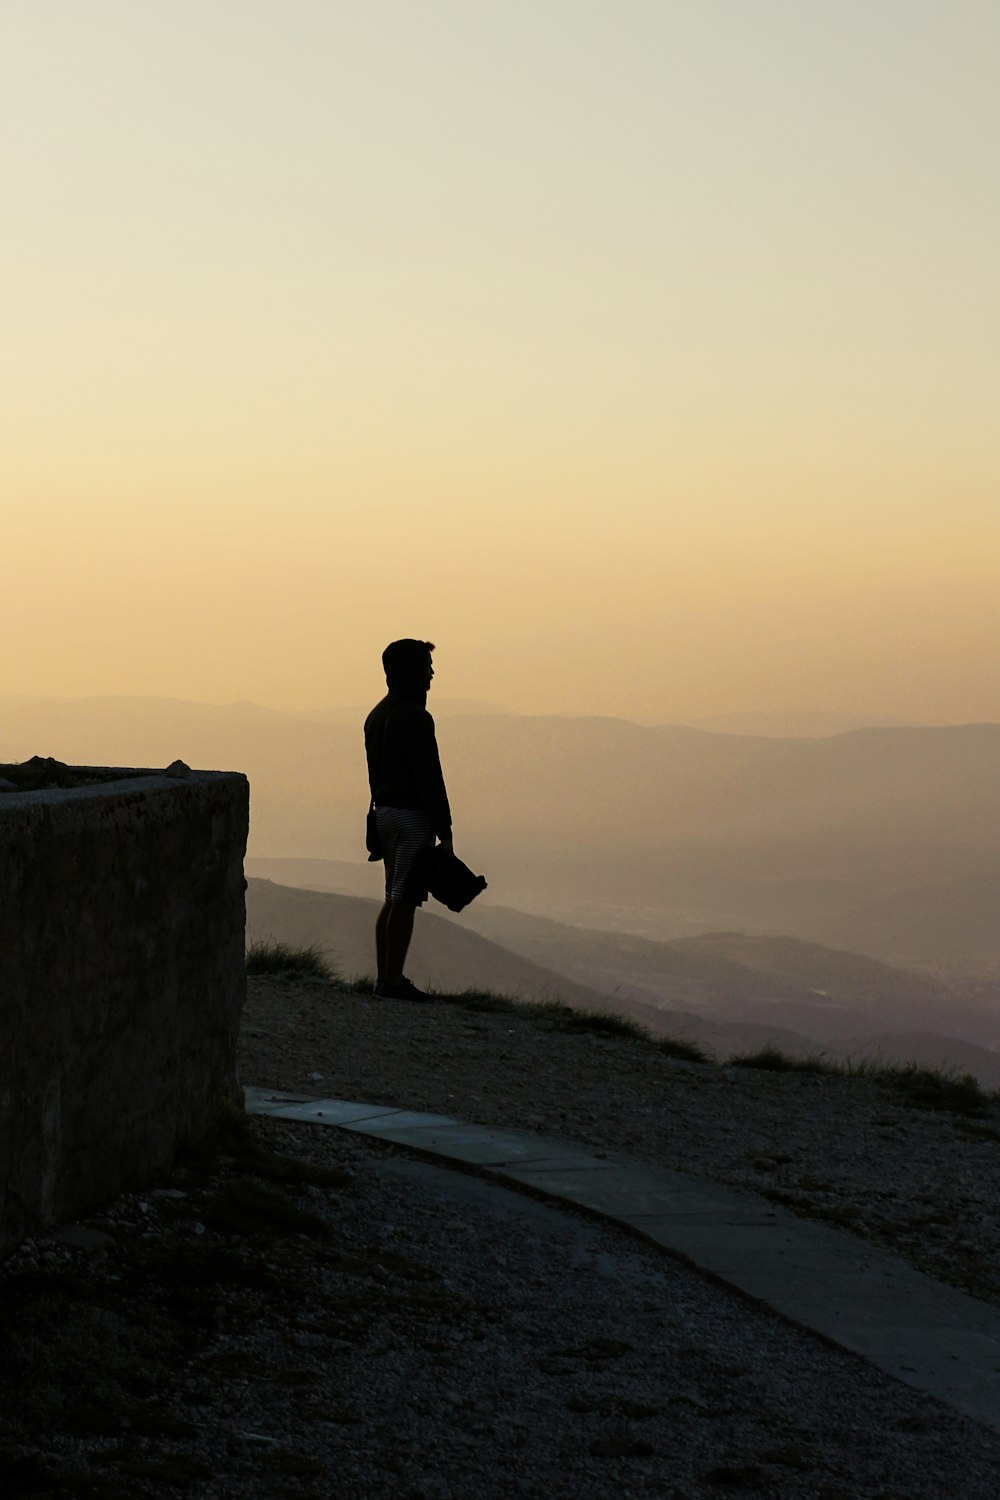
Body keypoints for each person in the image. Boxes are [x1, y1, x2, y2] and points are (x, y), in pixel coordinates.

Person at [364, 639, 454, 1001]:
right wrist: (444, 829)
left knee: (392, 895)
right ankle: (393, 982)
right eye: (427, 665)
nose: (432, 672)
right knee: (406, 898)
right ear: (413, 671)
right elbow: (429, 777)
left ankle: (385, 977)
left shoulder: (376, 715)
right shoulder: (416, 717)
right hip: (411, 818)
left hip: (384, 814)